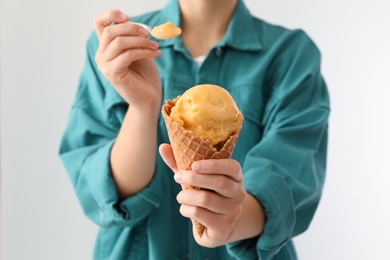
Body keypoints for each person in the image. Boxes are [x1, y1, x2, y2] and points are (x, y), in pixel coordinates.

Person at [59, 0, 330, 259]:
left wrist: (230, 221)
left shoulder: (292, 54)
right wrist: (144, 107)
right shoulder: (116, 47)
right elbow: (106, 194)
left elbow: (288, 178)